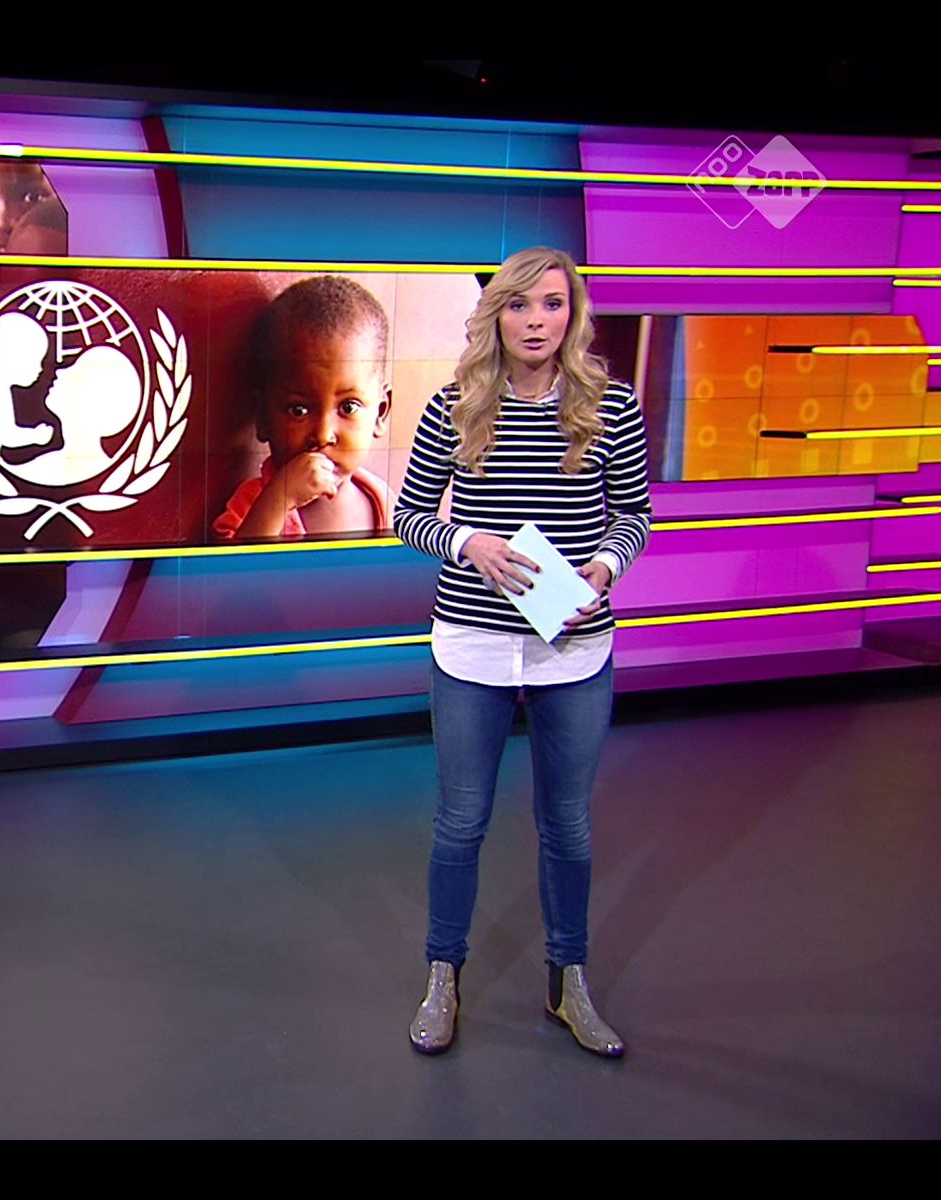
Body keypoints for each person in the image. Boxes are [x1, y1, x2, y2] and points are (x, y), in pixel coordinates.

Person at [392, 246, 652, 1057]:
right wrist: (467, 542)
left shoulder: (612, 406)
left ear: (573, 315)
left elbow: (634, 515)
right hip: (472, 647)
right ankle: (443, 978)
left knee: (567, 825)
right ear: (494, 315)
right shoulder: (454, 406)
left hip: (573, 649)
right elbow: (408, 515)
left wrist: (604, 568)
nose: (536, 321)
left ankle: (569, 983)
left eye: (552, 304)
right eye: (519, 305)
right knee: (460, 822)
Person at [214, 276, 393, 539]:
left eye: (348, 407)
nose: (323, 435)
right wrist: (280, 499)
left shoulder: (383, 503)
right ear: (263, 417)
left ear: (379, 414)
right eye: (298, 410)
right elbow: (235, 566)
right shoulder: (254, 506)